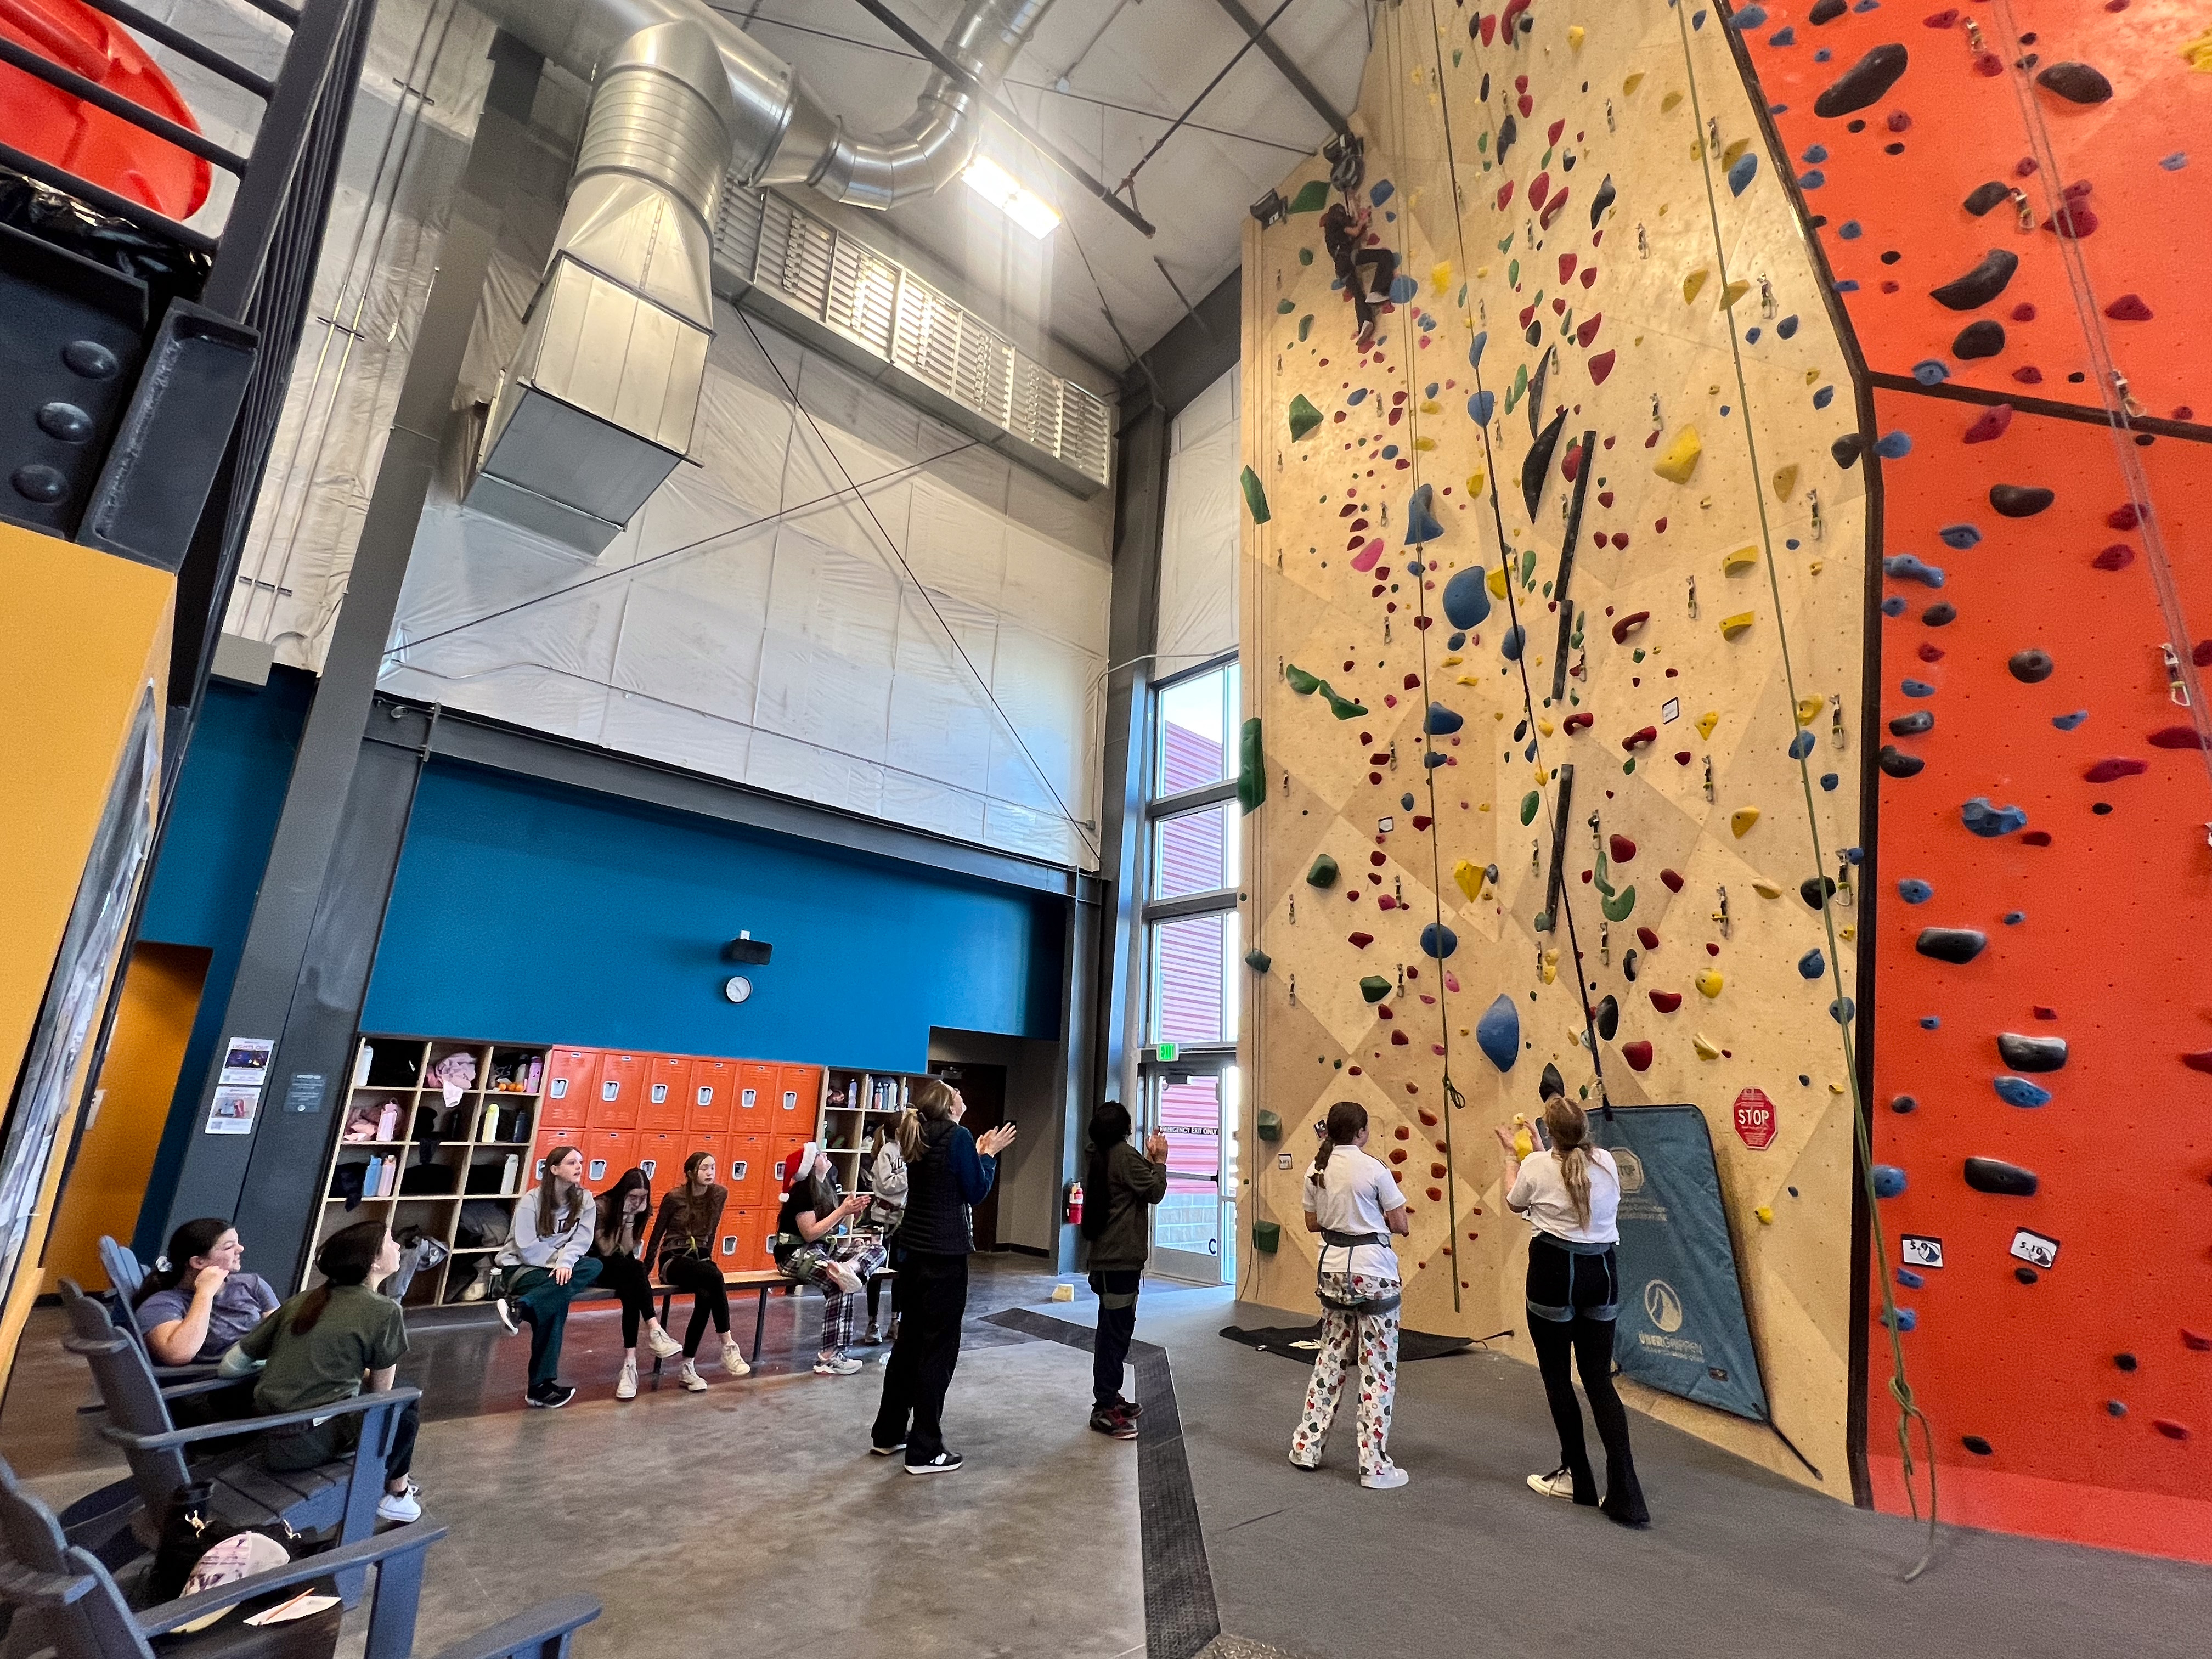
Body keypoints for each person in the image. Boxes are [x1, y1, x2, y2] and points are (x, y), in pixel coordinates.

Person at [1496, 1096, 1649, 1526]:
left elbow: (1515, 1202)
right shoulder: (1606, 1162)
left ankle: (1577, 1478)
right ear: (1585, 1131)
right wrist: (1542, 1149)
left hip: (1554, 1271)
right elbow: (1568, 1169)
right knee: (1599, 1380)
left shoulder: (1535, 1165)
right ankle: (1626, 1494)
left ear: (1550, 1134)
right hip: (1601, 1272)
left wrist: (1511, 1157)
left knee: (1557, 1376)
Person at [223, 1218, 419, 1522]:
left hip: (269, 1435)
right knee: (406, 1403)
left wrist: (286, 1361)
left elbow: (229, 1367)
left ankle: (397, 1489)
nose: (398, 1246)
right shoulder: (385, 1311)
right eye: (390, 1241)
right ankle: (397, 1493)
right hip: (308, 1445)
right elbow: (382, 1397)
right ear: (373, 1262)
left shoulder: (302, 1300)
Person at [868, 1079, 1015, 1473]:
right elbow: (975, 1191)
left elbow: (941, 1182)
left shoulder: (918, 1134)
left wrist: (977, 1153)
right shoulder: (958, 1136)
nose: (963, 1096)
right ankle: (925, 1448)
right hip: (945, 1257)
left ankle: (888, 1432)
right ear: (950, 1106)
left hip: (913, 1254)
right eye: (957, 1094)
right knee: (938, 1351)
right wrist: (988, 1156)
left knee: (909, 1345)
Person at [1289, 1100, 1410, 1490]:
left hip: (1333, 1271)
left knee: (1330, 1358)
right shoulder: (1374, 1169)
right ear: (1361, 1132)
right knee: (1377, 1368)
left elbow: (1312, 1223)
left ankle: (1306, 1447)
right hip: (1373, 1272)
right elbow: (1400, 1223)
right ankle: (1374, 1466)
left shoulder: (1316, 1169)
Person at [1079, 1102, 1167, 1440]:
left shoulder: (1099, 1154)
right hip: (1120, 1260)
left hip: (1106, 1259)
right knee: (1115, 1333)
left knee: (1112, 1329)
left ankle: (1109, 1394)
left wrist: (1147, 1162)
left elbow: (1131, 1183)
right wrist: (1159, 1161)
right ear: (1125, 1129)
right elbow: (1154, 1191)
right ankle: (1104, 1407)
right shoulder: (1124, 1156)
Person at [494, 1144, 602, 1408]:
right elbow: (526, 1248)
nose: (579, 1167)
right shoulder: (531, 1201)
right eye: (571, 1163)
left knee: (594, 1265)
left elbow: (581, 1241)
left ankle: (522, 1307)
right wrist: (558, 1264)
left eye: (580, 1162)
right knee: (557, 1300)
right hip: (522, 1268)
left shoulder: (585, 1200)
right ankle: (539, 1387)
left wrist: (565, 1263)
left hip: (558, 1268)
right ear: (554, 1169)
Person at [774, 1143, 888, 1376]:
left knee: (878, 1250)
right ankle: (829, 1357)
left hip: (823, 1251)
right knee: (839, 1283)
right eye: (818, 1155)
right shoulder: (802, 1192)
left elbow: (829, 1231)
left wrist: (851, 1214)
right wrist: (842, 1212)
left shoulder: (825, 1186)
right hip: (796, 1254)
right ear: (809, 1166)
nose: (824, 1155)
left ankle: (849, 1268)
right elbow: (810, 1234)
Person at [644, 1150, 749, 1390]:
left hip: (700, 1261)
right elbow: (657, 1234)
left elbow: (712, 1232)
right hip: (674, 1260)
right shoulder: (675, 1197)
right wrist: (647, 1269)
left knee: (706, 1295)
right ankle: (728, 1345)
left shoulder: (719, 1194)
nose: (710, 1172)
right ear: (691, 1173)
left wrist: (707, 1259)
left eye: (713, 1167)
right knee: (714, 1275)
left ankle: (687, 1367)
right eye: (704, 1168)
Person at [134, 1218, 279, 1367]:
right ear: (198, 1262)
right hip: (225, 1377)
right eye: (229, 1247)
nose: (241, 1249)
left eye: (237, 1242)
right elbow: (178, 1354)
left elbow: (282, 1333)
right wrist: (205, 1292)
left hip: (265, 1365)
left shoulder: (253, 1284)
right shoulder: (161, 1304)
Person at [591, 1166, 682, 1400]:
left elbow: (627, 1249)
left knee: (632, 1288)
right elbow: (606, 1249)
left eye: (643, 1197)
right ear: (623, 1193)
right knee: (636, 1270)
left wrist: (632, 1218)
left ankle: (630, 1364)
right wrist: (624, 1216)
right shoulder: (601, 1206)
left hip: (622, 1267)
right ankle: (654, 1330)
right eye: (633, 1197)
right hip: (596, 1265)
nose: (637, 1202)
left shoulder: (642, 1210)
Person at [860, 1115, 911, 1348]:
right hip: (882, 1219)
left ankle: (895, 1320)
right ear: (899, 1131)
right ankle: (873, 1323)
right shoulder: (887, 1152)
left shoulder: (909, 1151)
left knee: (900, 1271)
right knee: (877, 1270)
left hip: (902, 1219)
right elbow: (887, 1184)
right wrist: (909, 1174)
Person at [1319, 199, 1397, 352]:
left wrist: (1358, 215)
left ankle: (1364, 323)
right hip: (1348, 257)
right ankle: (1378, 291)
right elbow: (1355, 231)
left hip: (1341, 268)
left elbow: (1353, 234)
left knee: (1359, 295)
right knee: (1385, 255)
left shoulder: (1331, 235)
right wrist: (1361, 222)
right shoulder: (1336, 226)